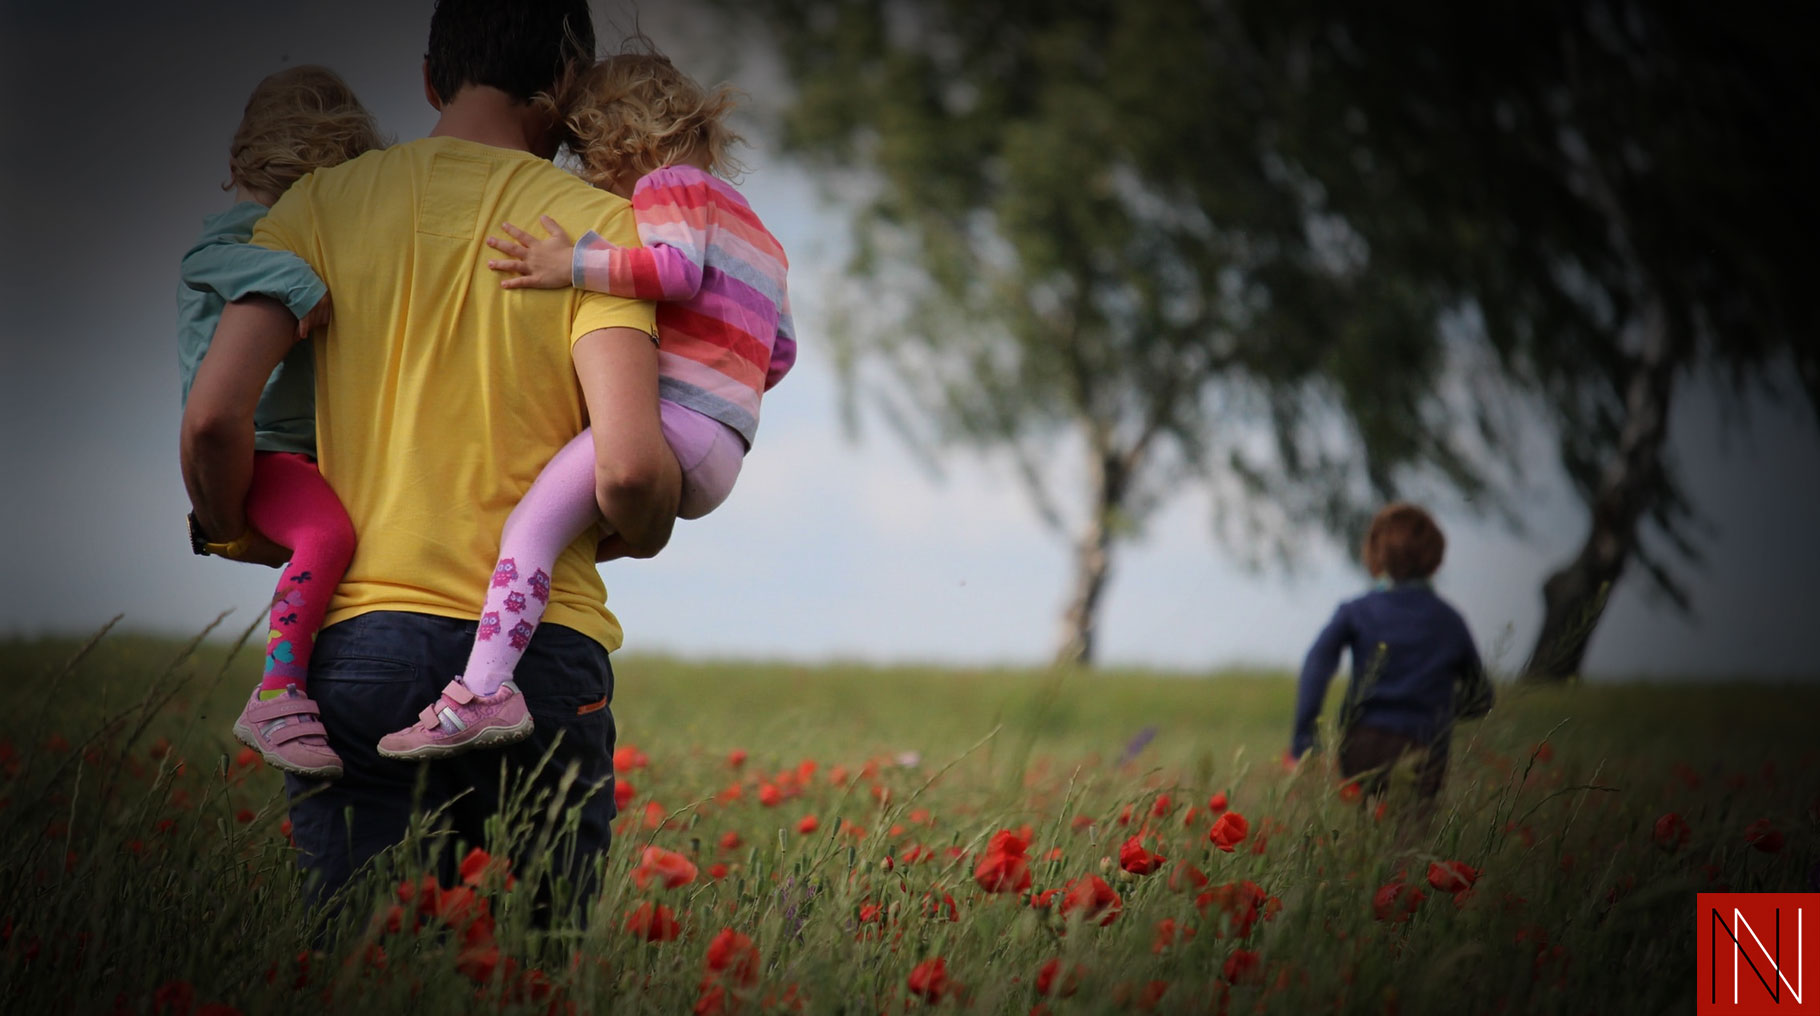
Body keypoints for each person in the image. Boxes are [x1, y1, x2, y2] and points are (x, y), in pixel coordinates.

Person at [180, 0, 679, 910]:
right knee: (530, 971)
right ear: (566, 84)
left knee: (365, 972)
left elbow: (215, 419)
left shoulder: (317, 207)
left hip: (359, 647)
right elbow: (635, 469)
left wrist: (230, 529)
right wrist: (639, 533)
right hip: (540, 657)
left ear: (428, 77)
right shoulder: (600, 229)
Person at [377, 48, 795, 760]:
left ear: (617, 140)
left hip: (674, 425)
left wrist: (568, 263)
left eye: (588, 157)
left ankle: (483, 692)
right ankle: (505, 655)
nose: (595, 180)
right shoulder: (761, 233)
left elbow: (674, 270)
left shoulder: (669, 186)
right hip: (725, 446)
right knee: (566, 532)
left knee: (529, 529)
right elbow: (779, 353)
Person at [179, 65, 383, 780]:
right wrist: (296, 279)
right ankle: (278, 693)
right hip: (263, 451)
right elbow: (207, 258)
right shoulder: (240, 240)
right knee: (328, 535)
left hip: (303, 452)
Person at [1287, 503, 1493, 802]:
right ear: (1435, 559)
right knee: (1411, 838)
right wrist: (1438, 710)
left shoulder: (1356, 612)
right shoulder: (1449, 620)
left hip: (1362, 743)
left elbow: (1316, 667)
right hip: (1424, 745)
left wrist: (1304, 742)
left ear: (1375, 555)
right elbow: (1481, 696)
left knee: (1368, 830)